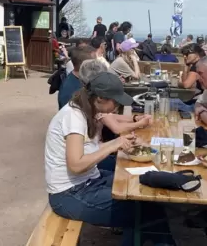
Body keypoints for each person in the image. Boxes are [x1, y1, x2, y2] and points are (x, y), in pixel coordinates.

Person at [45, 71, 171, 245]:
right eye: (116, 101)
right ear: (100, 98)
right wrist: (114, 144)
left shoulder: (86, 110)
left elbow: (90, 150)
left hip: (88, 180)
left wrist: (119, 144)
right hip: (69, 194)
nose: (117, 106)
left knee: (141, 189)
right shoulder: (73, 116)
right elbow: (75, 164)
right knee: (144, 210)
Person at [78, 60, 152, 171]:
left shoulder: (90, 101)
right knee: (131, 169)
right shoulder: (82, 110)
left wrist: (134, 118)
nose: (117, 106)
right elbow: (116, 128)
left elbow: (110, 116)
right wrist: (139, 124)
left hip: (95, 155)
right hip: (91, 165)